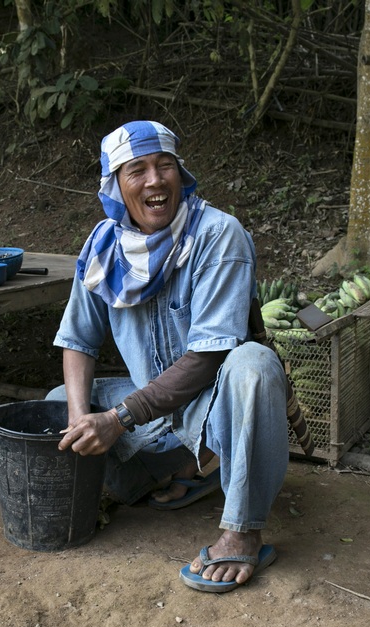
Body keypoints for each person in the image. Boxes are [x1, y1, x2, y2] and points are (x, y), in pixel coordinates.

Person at [47, 120, 304, 593]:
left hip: (216, 403)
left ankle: (243, 530)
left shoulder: (218, 234)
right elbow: (77, 341)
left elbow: (209, 359)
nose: (154, 180)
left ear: (180, 174)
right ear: (116, 187)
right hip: (151, 408)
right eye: (137, 170)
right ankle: (191, 469)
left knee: (254, 364)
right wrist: (83, 419)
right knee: (60, 399)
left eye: (165, 166)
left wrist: (118, 419)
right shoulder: (104, 246)